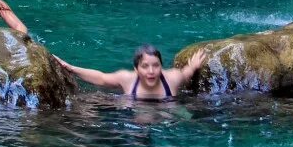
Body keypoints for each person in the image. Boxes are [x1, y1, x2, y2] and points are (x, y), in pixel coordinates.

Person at [54, 43, 208, 100]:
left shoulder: (172, 78)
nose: (151, 71)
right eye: (145, 66)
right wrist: (71, 68)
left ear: (161, 66)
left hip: (166, 120)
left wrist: (194, 66)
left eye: (156, 65)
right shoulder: (127, 78)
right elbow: (101, 78)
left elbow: (186, 73)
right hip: (134, 120)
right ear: (136, 69)